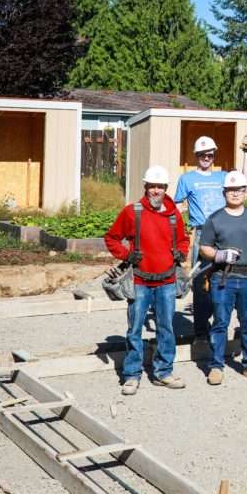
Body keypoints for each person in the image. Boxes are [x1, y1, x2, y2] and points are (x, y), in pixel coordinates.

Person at [104, 165, 190, 396]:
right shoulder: (133, 212)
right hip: (140, 281)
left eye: (160, 187)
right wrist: (126, 255)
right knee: (134, 329)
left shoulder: (174, 215)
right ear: (145, 187)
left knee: (166, 328)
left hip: (167, 281)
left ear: (165, 188)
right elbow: (112, 238)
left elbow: (183, 240)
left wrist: (181, 251)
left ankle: (163, 372)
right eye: (152, 186)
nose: (156, 191)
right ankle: (132, 375)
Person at [199, 170, 247, 385]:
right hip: (223, 278)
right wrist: (219, 254)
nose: (235, 193)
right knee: (220, 323)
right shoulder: (215, 219)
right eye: (231, 190)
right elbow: (204, 248)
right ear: (224, 192)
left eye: (239, 190)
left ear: (245, 192)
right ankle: (216, 366)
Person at [173, 135, 227, 340]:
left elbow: (241, 188)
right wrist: (177, 231)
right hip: (202, 232)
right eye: (203, 154)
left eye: (210, 154)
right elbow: (177, 206)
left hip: (224, 231)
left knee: (224, 278)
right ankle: (201, 331)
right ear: (196, 156)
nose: (207, 157)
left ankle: (219, 329)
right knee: (200, 279)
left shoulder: (222, 176)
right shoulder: (187, 179)